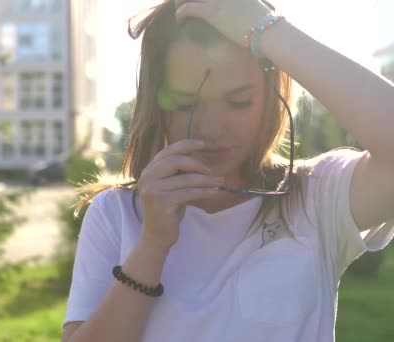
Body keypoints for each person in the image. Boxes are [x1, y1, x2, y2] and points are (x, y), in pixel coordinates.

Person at [61, 0, 394, 341]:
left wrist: (271, 31)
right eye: (185, 104)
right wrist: (152, 245)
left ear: (272, 94)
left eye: (238, 101)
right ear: (155, 104)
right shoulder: (117, 214)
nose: (213, 128)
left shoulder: (317, 197)